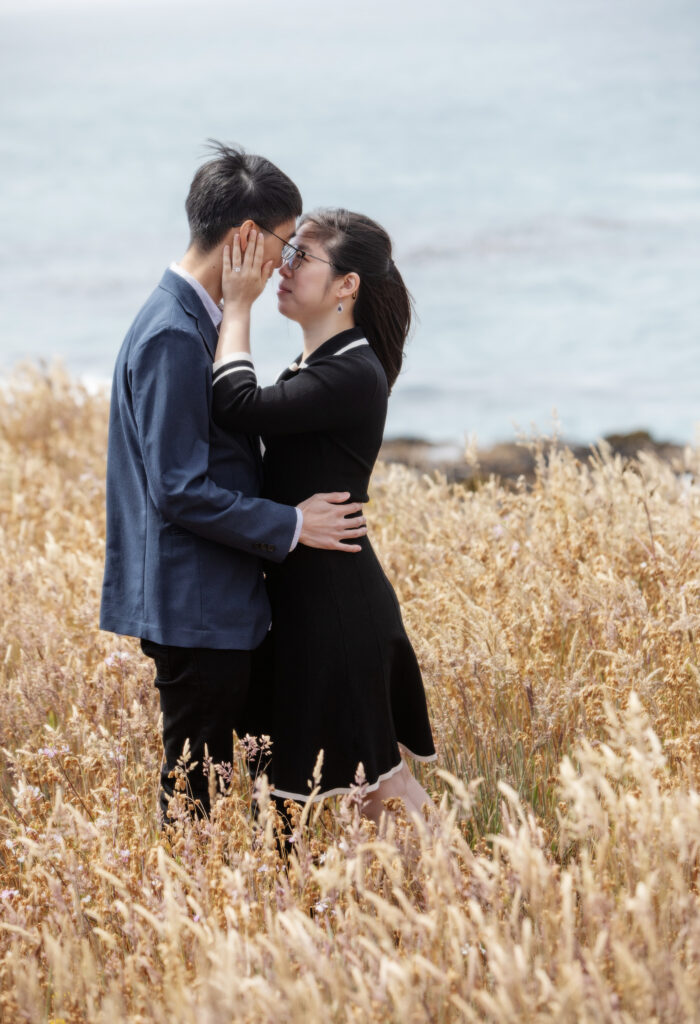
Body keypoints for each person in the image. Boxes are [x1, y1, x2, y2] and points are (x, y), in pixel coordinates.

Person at [100, 145, 367, 821]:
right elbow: (180, 488)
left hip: (217, 602)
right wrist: (294, 524)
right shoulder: (173, 334)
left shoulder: (197, 321)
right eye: (285, 243)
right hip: (196, 608)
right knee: (192, 794)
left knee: (243, 782)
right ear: (245, 237)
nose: (287, 262)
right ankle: (182, 921)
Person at [210, 209, 437, 824]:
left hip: (336, 605)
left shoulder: (352, 372)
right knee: (368, 789)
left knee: (375, 789)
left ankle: (477, 900)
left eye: (300, 258)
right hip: (318, 599)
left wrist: (236, 306)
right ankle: (455, 903)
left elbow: (235, 403)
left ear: (347, 286)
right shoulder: (323, 366)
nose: (282, 269)